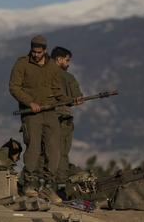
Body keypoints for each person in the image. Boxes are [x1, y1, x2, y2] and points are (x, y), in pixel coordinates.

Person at [9, 35, 68, 203]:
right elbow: (14, 87)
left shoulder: (52, 67)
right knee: (33, 150)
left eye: (39, 52)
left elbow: (57, 90)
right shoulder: (22, 64)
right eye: (33, 52)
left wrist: (71, 100)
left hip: (50, 113)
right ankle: (29, 185)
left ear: (45, 50)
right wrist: (29, 102)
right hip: (31, 114)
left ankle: (48, 188)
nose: (35, 55)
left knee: (54, 150)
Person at [50, 46, 83, 184]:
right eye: (67, 60)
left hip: (42, 118)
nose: (68, 64)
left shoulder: (41, 73)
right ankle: (60, 184)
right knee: (62, 152)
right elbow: (78, 98)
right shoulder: (67, 77)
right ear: (59, 59)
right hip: (62, 118)